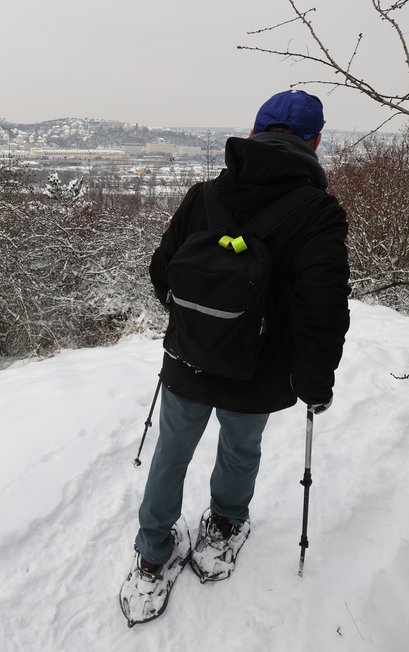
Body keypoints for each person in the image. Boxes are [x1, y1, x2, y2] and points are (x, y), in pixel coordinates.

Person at [120, 89, 350, 625]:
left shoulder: (203, 196)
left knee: (170, 453)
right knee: (240, 448)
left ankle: (152, 556)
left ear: (251, 133)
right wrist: (315, 382)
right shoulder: (318, 214)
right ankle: (221, 529)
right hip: (259, 369)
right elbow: (322, 308)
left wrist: (198, 322)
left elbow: (163, 272)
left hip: (188, 359)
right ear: (315, 142)